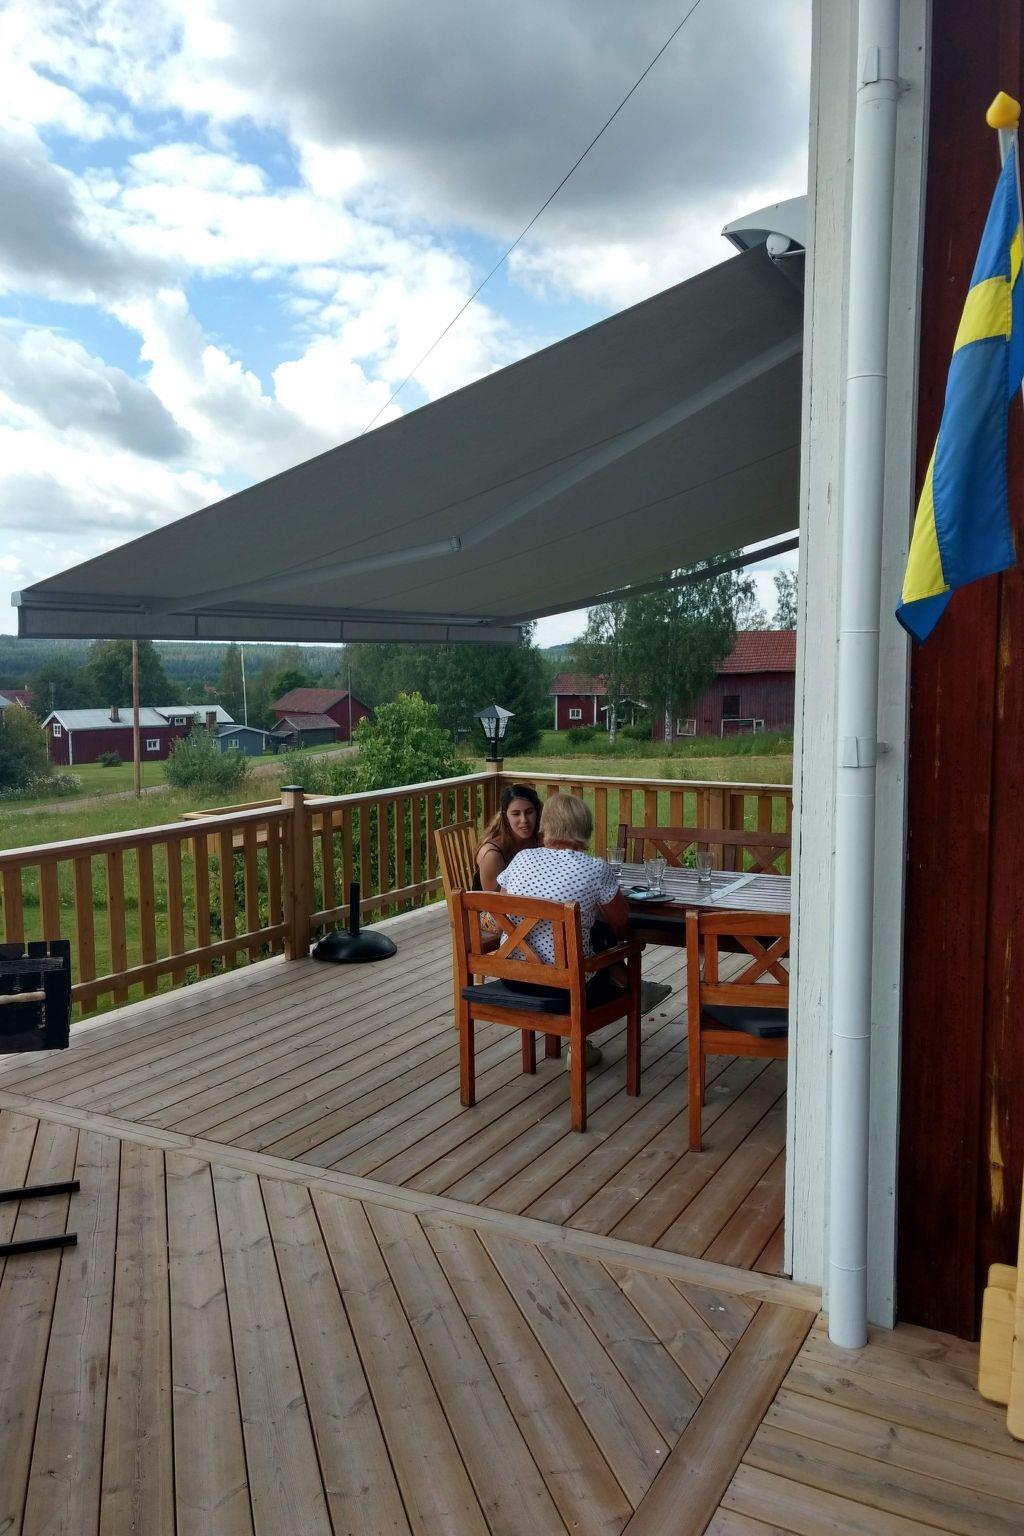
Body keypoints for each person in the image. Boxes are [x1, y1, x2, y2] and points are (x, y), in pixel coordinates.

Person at [497, 792, 671, 1066]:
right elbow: (621, 920)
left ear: (545, 824)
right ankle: (631, 993)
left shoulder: (522, 859)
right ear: (585, 826)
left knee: (582, 938)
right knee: (597, 943)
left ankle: (581, 1045)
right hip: (566, 986)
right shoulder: (594, 868)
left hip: (513, 975)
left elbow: (503, 908)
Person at [474, 783, 543, 890]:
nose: (524, 820)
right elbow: (492, 898)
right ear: (506, 817)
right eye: (516, 814)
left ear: (537, 813)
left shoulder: (540, 839)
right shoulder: (491, 854)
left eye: (529, 812)